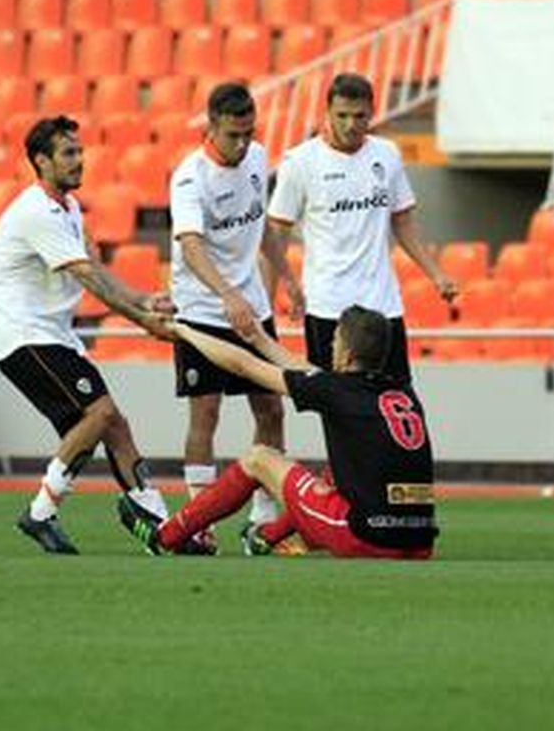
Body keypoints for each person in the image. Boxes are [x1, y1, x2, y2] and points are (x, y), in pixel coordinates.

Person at [0, 115, 187, 556]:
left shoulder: (69, 208)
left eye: (80, 151)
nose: (79, 160)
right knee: (101, 413)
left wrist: (144, 300)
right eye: (68, 153)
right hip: (25, 338)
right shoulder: (36, 212)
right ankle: (40, 512)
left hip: (51, 337)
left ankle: (158, 522)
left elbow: (94, 268)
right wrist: (143, 322)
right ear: (42, 161)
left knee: (112, 422)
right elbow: (86, 276)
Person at [121, 306, 437, 561]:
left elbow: (244, 366)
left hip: (365, 538)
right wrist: (259, 339)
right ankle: (265, 537)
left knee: (259, 459)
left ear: (348, 356)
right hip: (420, 543)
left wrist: (183, 332)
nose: (331, 347)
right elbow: (305, 371)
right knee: (333, 477)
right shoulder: (402, 393)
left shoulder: (336, 389)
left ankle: (165, 537)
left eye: (336, 341)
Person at [263, 73, 457, 382]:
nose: (350, 124)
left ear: (372, 113)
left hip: (383, 306)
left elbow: (402, 221)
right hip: (329, 307)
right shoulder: (301, 162)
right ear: (327, 112)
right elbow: (276, 236)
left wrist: (436, 274)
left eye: (359, 116)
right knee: (335, 403)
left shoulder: (387, 154)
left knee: (394, 396)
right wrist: (268, 302)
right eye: (342, 115)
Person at [167, 81, 287, 548]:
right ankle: (200, 523)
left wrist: (288, 278)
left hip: (251, 306)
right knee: (206, 413)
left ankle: (263, 517)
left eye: (248, 133)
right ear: (212, 126)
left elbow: (261, 224)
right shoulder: (189, 178)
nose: (242, 143)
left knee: (272, 408)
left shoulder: (257, 158)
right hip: (203, 309)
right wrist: (227, 295)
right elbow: (191, 246)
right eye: (233, 135)